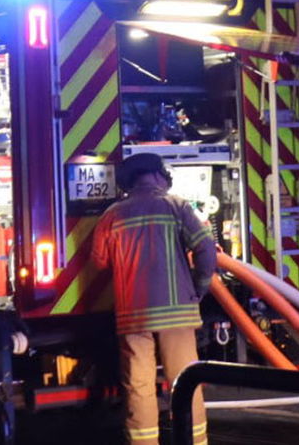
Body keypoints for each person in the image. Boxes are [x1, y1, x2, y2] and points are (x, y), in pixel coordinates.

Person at [92, 153, 217, 445]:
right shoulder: (176, 206)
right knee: (186, 382)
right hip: (178, 314)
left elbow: (99, 263)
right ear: (159, 175)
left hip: (133, 315)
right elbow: (206, 250)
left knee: (139, 387)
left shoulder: (111, 215)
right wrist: (198, 288)